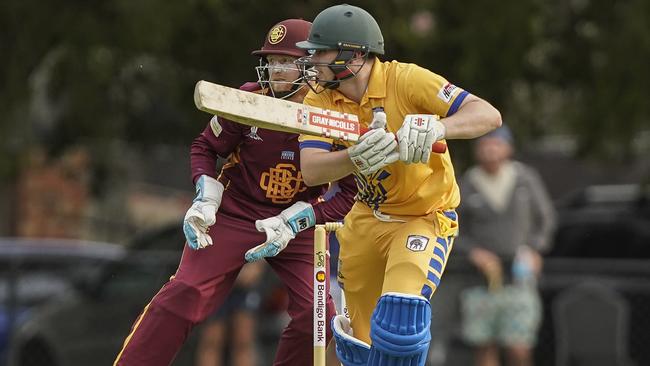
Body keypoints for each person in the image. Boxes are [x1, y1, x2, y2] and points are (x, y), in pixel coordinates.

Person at [113, 18, 357, 366]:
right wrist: (206, 193)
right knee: (185, 293)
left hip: (298, 220)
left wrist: (303, 218)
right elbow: (204, 147)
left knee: (317, 316)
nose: (275, 70)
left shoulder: (334, 116)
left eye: (286, 62)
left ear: (311, 67)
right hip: (235, 212)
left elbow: (348, 195)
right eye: (271, 62)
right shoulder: (248, 101)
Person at [293, 4, 502, 366]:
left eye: (320, 52)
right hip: (364, 219)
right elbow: (311, 171)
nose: (312, 62)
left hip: (422, 217)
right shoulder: (320, 98)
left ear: (353, 54)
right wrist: (355, 158)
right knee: (357, 345)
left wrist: (439, 127)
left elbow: (488, 114)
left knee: (399, 324)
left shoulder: (405, 80)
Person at [456, 125, 556, 366]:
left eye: (497, 143)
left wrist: (534, 249)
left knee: (519, 345)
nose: (491, 149)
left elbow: (546, 219)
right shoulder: (467, 183)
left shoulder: (525, 179)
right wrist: (473, 253)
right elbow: (451, 229)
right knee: (484, 344)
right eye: (484, 144)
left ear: (508, 148)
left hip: (519, 277)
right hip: (480, 280)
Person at [194, 261, 263, 366]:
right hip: (216, 280)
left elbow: (263, 246)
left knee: (243, 341)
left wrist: (257, 266)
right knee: (212, 340)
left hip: (245, 281)